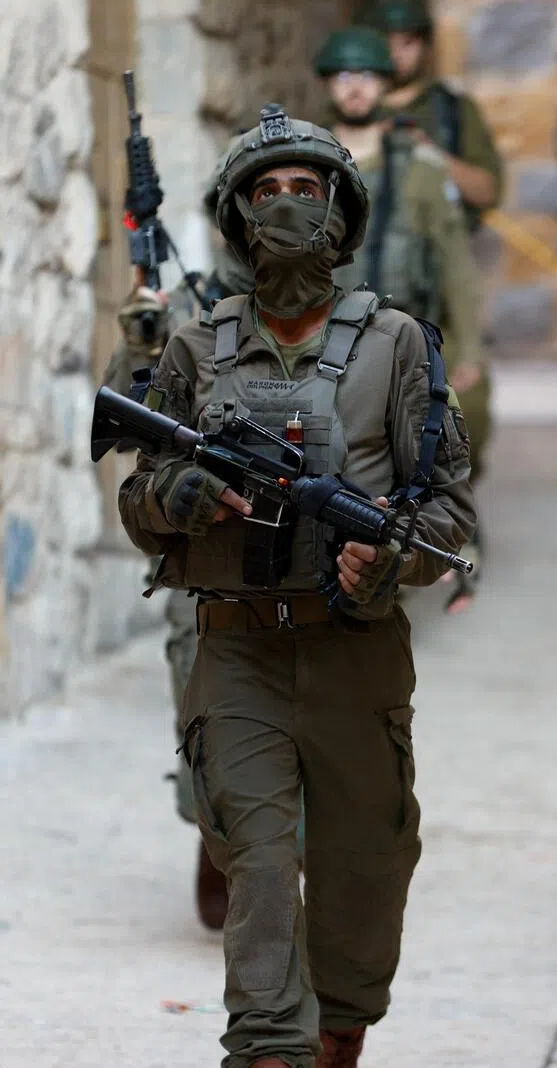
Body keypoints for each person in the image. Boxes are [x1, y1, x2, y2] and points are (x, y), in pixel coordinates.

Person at [117, 106, 476, 1068]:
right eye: (264, 194)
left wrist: (393, 558)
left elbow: (448, 516)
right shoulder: (194, 349)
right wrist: (176, 495)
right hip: (237, 656)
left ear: (339, 213)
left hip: (356, 658)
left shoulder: (399, 345)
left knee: (363, 884)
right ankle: (269, 1051)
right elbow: (135, 500)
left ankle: (335, 1042)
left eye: (305, 192)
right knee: (265, 873)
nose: (284, 210)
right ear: (236, 220)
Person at [103, 154, 254, 932]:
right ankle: (215, 835)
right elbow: (126, 426)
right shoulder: (191, 320)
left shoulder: (348, 315)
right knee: (206, 724)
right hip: (201, 561)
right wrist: (142, 340)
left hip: (299, 560)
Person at [314, 25, 488, 610]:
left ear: (385, 85)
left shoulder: (417, 170)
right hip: (322, 338)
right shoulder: (309, 165)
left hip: (404, 338)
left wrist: (466, 350)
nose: (356, 89)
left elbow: (455, 262)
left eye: (367, 77)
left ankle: (443, 556)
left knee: (433, 454)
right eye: (344, 77)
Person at [353, 0, 503, 229]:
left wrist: (430, 155)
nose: (396, 54)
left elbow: (487, 192)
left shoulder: (454, 109)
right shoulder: (348, 108)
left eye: (407, 43)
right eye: (386, 42)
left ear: (424, 45)